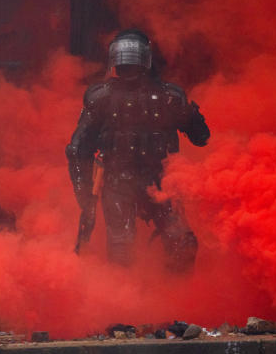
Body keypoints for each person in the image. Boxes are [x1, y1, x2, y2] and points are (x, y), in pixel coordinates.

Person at [66, 29, 210, 269]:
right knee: (122, 249)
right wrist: (84, 194)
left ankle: (175, 298)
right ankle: (123, 303)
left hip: (161, 183)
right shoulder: (103, 97)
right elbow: (78, 149)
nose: (127, 67)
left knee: (181, 243)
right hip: (118, 183)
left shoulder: (168, 96)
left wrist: (188, 114)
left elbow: (201, 137)